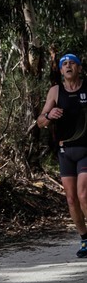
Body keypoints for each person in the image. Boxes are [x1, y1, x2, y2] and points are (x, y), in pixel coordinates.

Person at [37, 53, 87, 258]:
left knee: (84, 194)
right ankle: (85, 238)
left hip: (86, 149)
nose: (68, 66)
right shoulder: (56, 91)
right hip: (65, 151)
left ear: (79, 69)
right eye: (64, 64)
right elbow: (40, 121)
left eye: (72, 63)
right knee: (71, 199)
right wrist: (49, 115)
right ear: (60, 71)